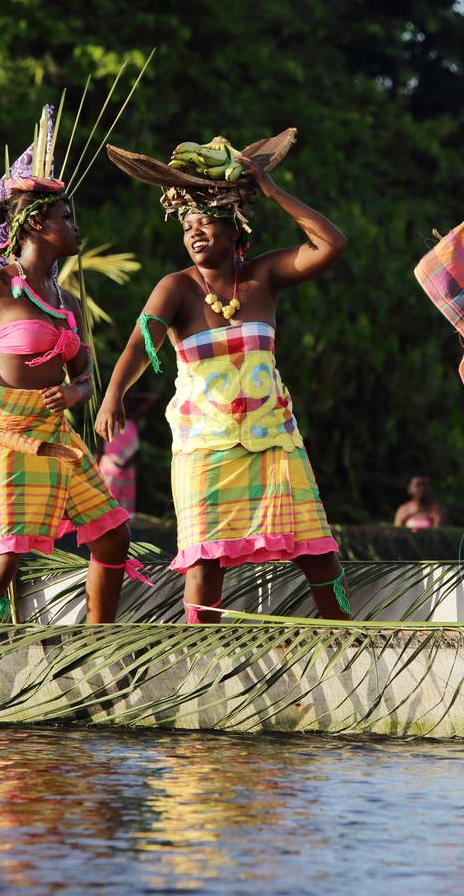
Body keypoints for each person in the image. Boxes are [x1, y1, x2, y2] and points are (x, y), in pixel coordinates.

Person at [96, 155, 351, 624]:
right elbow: (139, 343)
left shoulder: (265, 276)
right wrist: (113, 396)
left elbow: (331, 243)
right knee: (204, 561)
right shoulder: (175, 288)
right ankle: (199, 658)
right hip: (203, 445)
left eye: (207, 223)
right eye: (187, 225)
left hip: (274, 439)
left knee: (316, 551)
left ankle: (345, 638)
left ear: (235, 230)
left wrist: (272, 190)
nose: (194, 232)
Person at [0, 176, 138, 623]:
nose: (77, 228)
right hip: (5, 434)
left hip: (54, 435)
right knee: (3, 560)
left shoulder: (69, 302)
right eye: (66, 218)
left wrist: (73, 392)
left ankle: (99, 640)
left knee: (114, 534)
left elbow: (85, 378)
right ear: (37, 223)